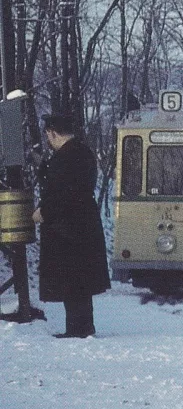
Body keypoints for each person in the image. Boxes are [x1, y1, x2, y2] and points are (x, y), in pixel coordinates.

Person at [32, 114, 110, 338]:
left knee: (71, 280)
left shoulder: (64, 158)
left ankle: (76, 329)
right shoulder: (83, 153)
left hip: (67, 230)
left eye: (48, 134)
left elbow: (63, 193)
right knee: (81, 282)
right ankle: (83, 327)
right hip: (83, 226)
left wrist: (43, 213)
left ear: (52, 132)